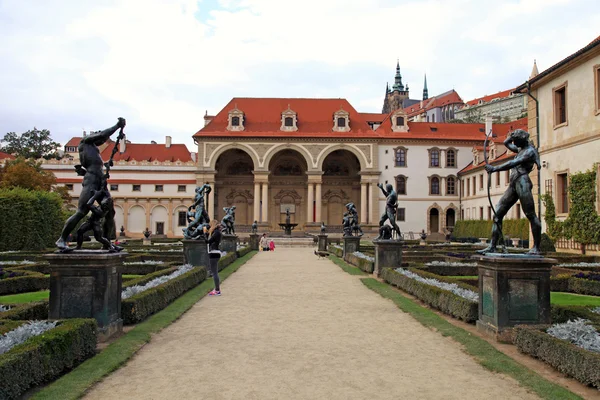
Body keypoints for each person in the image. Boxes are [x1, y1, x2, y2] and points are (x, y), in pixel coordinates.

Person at [56, 118, 126, 250]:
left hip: (101, 183)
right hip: (91, 182)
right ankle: (62, 239)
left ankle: (107, 244)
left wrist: (106, 166)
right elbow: (102, 135)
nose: (103, 140)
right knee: (81, 212)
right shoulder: (86, 142)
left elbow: (101, 144)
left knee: (110, 212)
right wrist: (117, 126)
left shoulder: (94, 150)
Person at [479, 129, 542, 254]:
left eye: (516, 141)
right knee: (497, 213)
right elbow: (506, 143)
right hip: (514, 183)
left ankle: (536, 247)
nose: (514, 143)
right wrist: (512, 135)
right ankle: (492, 245)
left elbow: (513, 162)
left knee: (531, 215)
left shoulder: (529, 152)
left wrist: (494, 168)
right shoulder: (521, 149)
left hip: (522, 183)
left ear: (522, 141)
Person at [206, 220, 223, 296]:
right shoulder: (217, 232)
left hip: (214, 253)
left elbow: (208, 242)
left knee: (214, 273)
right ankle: (217, 289)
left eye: (210, 225)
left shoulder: (216, 233)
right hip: (215, 252)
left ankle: (217, 290)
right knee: (214, 272)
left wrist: (204, 234)